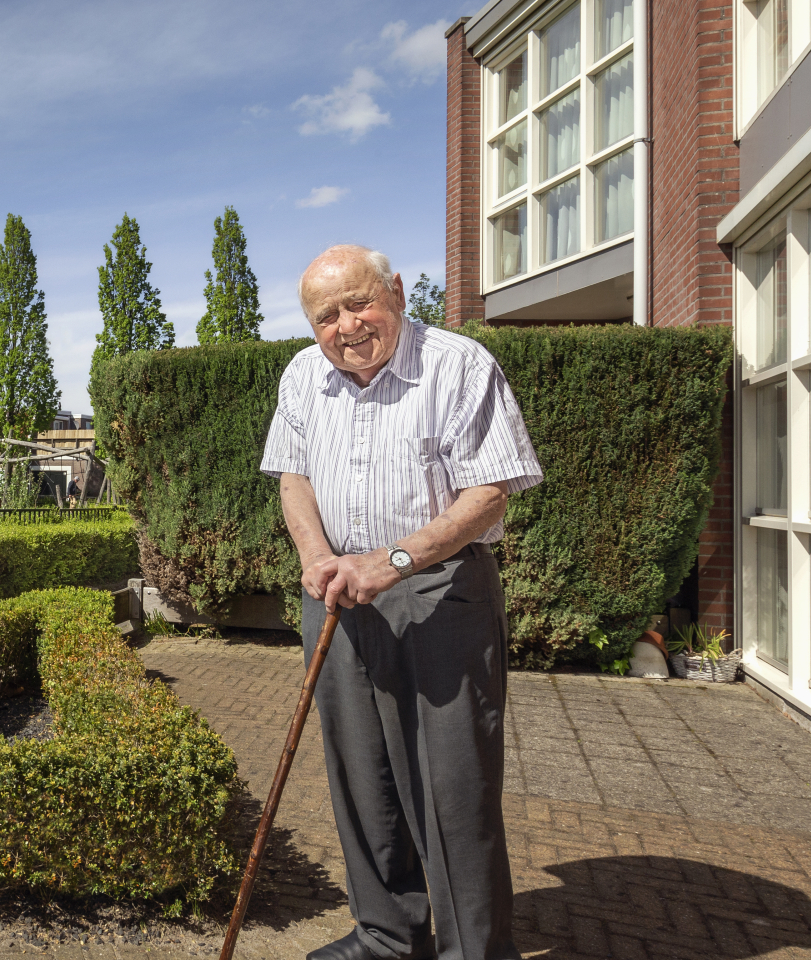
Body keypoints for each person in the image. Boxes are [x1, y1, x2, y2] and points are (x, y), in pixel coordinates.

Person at [261, 245, 541, 960]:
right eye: (327, 316)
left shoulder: (459, 365)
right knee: (362, 777)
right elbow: (293, 478)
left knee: (454, 787)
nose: (347, 326)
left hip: (439, 592)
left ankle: (474, 952)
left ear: (395, 291)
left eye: (359, 304)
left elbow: (488, 495)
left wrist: (390, 563)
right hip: (336, 597)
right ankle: (387, 935)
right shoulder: (302, 376)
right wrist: (316, 558)